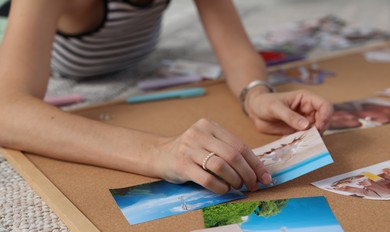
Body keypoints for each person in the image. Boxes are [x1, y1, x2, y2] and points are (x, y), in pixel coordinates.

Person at [0, 0, 333, 194]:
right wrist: (157, 151)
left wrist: (256, 93)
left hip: (133, 57)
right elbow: (7, 110)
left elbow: (235, 48)